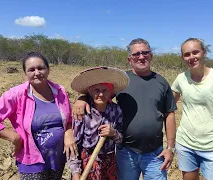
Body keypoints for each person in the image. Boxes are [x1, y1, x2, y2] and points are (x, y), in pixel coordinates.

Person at [72, 38, 177, 180]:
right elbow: (100, 96)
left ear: (151, 55)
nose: (141, 56)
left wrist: (170, 148)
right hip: (126, 152)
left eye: (145, 53)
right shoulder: (123, 81)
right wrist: (81, 99)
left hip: (155, 153)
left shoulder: (161, 82)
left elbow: (169, 114)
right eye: (136, 54)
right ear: (130, 59)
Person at [0, 52, 78, 180]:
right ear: (25, 73)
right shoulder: (16, 94)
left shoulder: (60, 91)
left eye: (40, 68)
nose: (37, 72)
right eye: (31, 69)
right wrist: (14, 137)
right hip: (31, 161)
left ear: (48, 69)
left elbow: (68, 119)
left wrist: (68, 132)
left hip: (58, 158)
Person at [171, 38, 213, 180]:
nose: (192, 57)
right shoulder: (181, 79)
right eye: (187, 54)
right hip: (185, 144)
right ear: (183, 57)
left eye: (195, 52)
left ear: (204, 52)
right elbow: (169, 105)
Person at [68, 67, 129, 180]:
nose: (100, 94)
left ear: (111, 92)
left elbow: (120, 140)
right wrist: (76, 173)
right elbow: (74, 146)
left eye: (105, 90)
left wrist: (114, 133)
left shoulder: (116, 110)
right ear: (90, 91)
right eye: (97, 90)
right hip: (86, 162)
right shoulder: (82, 112)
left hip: (109, 163)